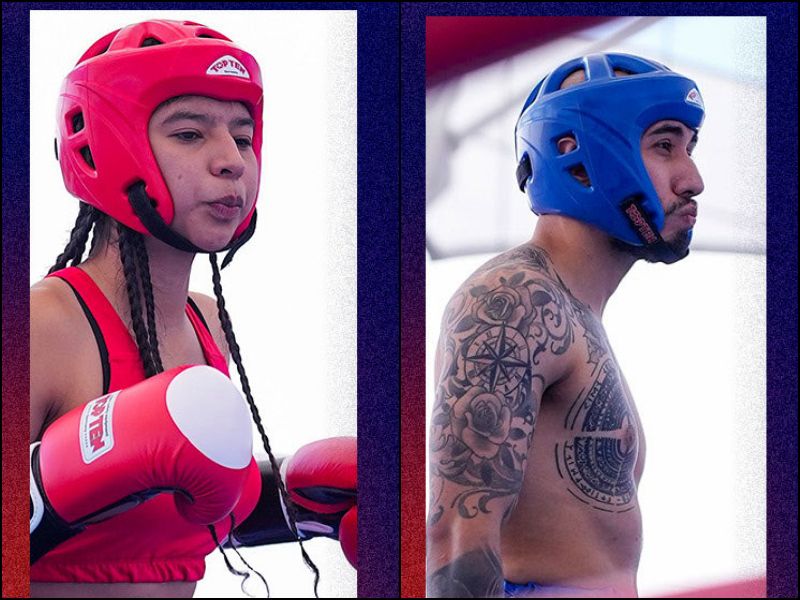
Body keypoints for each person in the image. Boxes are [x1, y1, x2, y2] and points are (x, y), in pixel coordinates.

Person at [29, 19, 356, 598]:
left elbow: (169, 521)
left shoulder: (205, 323)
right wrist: (56, 480)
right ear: (104, 144)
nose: (231, 160)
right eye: (189, 134)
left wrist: (300, 504)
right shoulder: (43, 325)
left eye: (243, 135)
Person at [427, 53, 705, 598]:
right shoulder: (513, 300)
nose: (692, 179)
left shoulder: (575, 312)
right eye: (665, 145)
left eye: (690, 149)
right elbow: (456, 541)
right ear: (579, 157)